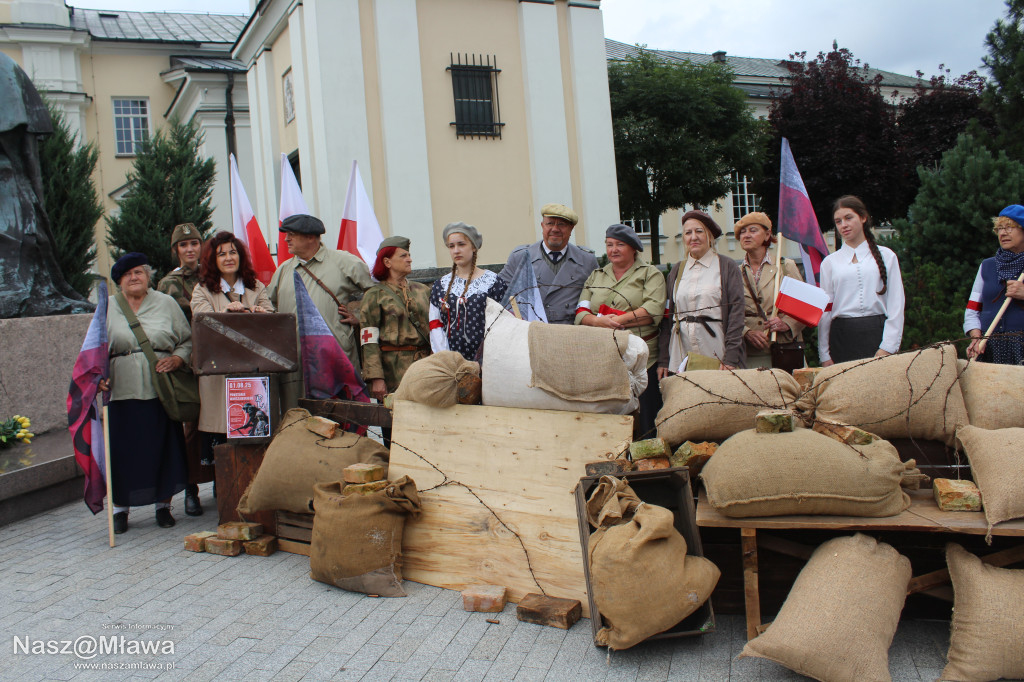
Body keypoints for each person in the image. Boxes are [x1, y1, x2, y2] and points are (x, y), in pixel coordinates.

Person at [98, 253, 191, 534]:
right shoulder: (108, 307)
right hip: (121, 390)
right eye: (127, 274)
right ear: (119, 281)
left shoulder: (166, 303)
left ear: (148, 276)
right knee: (124, 452)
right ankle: (120, 510)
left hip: (160, 388)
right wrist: (99, 376)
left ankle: (163, 507)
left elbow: (186, 341)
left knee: (162, 448)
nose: (134, 277)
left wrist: (177, 359)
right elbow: (95, 347)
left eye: (139, 272)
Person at [265, 214, 374, 409]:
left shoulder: (343, 262)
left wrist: (359, 316)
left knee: (343, 417)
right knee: (298, 418)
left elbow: (376, 293)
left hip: (334, 359)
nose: (286, 239)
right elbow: (268, 306)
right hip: (296, 362)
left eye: (291, 235)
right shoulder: (283, 270)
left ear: (310, 237)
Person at [191, 231, 274, 462]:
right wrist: (225, 313)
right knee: (224, 428)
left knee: (254, 430)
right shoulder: (203, 289)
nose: (228, 258)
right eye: (221, 254)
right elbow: (201, 319)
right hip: (219, 372)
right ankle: (222, 484)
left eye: (232, 252)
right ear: (213, 260)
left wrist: (261, 314)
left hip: (253, 371)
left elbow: (272, 317)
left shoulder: (255, 286)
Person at [575, 224, 666, 435]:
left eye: (620, 245)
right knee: (610, 414)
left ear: (633, 248)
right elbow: (581, 312)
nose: (613, 250)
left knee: (645, 416)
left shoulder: (649, 274)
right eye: (609, 245)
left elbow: (653, 310)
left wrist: (616, 320)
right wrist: (599, 322)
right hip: (604, 356)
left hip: (641, 359)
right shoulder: (597, 276)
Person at [156, 222, 207, 516]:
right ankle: (191, 490)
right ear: (176, 250)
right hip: (187, 364)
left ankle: (219, 480)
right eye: (183, 245)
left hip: (215, 359)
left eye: (194, 243)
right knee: (190, 429)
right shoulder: (168, 284)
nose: (190, 249)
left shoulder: (211, 276)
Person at [818, 195, 905, 366]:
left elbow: (896, 303)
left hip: (878, 336)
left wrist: (887, 346)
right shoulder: (829, 263)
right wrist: (824, 354)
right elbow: (825, 311)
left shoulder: (887, 256)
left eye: (848, 218)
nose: (844, 225)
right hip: (842, 338)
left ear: (863, 217)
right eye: (838, 221)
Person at [659, 210, 746, 376]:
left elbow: (737, 313)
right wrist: (664, 358)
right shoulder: (677, 270)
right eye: (688, 233)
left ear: (709, 236)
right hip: (681, 351)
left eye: (699, 231)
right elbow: (667, 317)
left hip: (716, 348)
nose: (693, 237)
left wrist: (731, 358)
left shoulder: (726, 266)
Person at [498, 203, 598, 324]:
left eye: (562, 224)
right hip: (532, 332)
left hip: (571, 334)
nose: (555, 229)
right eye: (550, 223)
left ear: (571, 229)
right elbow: (497, 291)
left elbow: (598, 298)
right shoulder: (520, 257)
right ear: (542, 226)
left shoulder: (587, 260)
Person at [360, 236, 431, 400]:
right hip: (393, 369)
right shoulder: (374, 296)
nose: (409, 259)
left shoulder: (422, 291)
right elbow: (368, 340)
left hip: (424, 366)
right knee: (394, 421)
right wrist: (376, 378)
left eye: (409, 255)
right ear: (387, 262)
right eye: (403, 256)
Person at [735, 212, 806, 369]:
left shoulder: (785, 266)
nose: (746, 235)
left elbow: (803, 308)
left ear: (767, 235)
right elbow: (728, 313)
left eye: (753, 230)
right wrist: (746, 332)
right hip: (750, 354)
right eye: (742, 232)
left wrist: (786, 323)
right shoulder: (734, 273)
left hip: (783, 350)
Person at [429, 222, 508, 360]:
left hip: (488, 360)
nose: (456, 251)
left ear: (473, 247)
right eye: (451, 246)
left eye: (461, 244)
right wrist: (447, 358)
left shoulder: (493, 283)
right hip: (452, 361)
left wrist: (485, 360)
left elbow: (502, 323)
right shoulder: (440, 286)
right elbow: (435, 323)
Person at [965, 204, 1024, 365]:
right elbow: (972, 310)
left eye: (1010, 227)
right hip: (990, 347)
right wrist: (976, 336)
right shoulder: (987, 266)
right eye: (999, 228)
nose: (1003, 233)